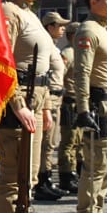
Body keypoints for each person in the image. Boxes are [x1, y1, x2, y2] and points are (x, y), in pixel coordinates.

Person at [0, 0, 54, 213]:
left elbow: (42, 66)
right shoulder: (7, 11)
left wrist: (47, 107)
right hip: (18, 107)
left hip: (36, 104)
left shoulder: (29, 13)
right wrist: (18, 105)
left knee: (28, 178)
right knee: (13, 179)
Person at [73, 0, 107, 213]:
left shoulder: (103, 30)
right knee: (95, 171)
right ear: (93, 2)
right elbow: (81, 73)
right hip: (99, 106)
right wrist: (83, 109)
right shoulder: (89, 30)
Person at [35, 11, 71, 201]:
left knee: (51, 143)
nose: (63, 28)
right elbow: (44, 77)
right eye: (60, 25)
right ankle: (41, 182)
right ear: (50, 27)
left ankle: (46, 179)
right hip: (49, 98)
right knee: (46, 143)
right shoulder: (45, 46)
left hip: (57, 99)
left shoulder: (54, 48)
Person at [58, 21, 83, 193]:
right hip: (69, 101)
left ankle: (76, 173)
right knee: (69, 141)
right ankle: (67, 175)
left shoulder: (79, 52)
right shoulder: (68, 52)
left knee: (79, 141)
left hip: (79, 102)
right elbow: (60, 74)